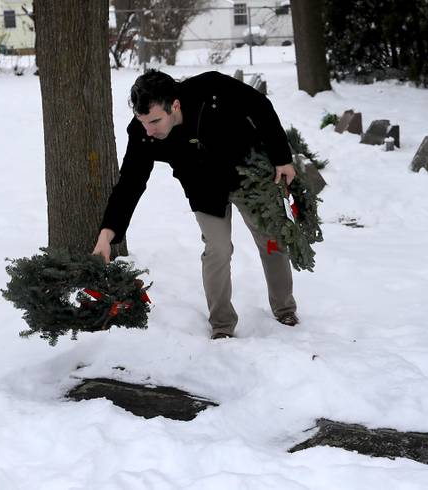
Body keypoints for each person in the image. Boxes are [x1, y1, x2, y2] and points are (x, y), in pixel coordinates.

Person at [92, 70, 299, 340]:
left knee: (271, 242)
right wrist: (108, 233)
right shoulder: (143, 133)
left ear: (174, 105)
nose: (149, 130)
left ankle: (284, 308)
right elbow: (130, 184)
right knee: (218, 250)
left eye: (155, 121)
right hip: (205, 191)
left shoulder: (211, 89)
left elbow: (260, 106)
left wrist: (282, 157)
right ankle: (222, 325)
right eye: (143, 122)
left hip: (248, 177)